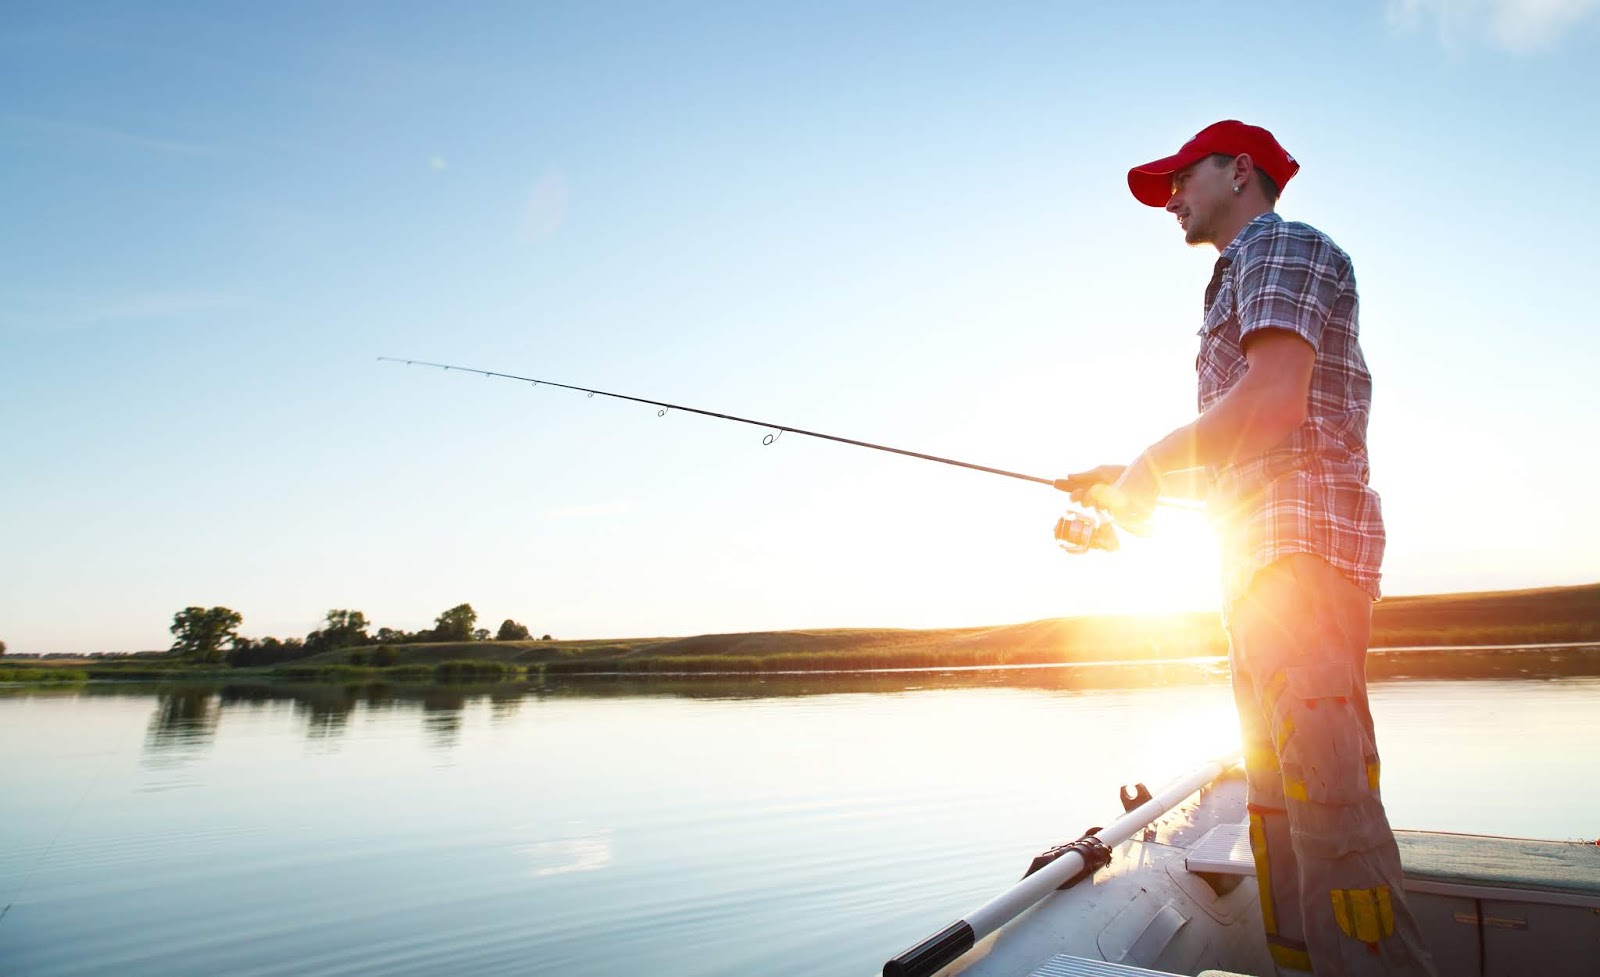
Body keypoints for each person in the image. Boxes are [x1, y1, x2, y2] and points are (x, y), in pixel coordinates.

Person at [1061, 121, 1437, 977]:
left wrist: (1152, 468)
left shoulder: (1283, 246)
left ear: (1239, 172)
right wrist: (1128, 480)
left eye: (1178, 180)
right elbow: (1242, 453)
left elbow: (1272, 405)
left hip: (1300, 567)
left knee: (1328, 809)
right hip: (1258, 575)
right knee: (1277, 814)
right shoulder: (1236, 280)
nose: (1170, 198)